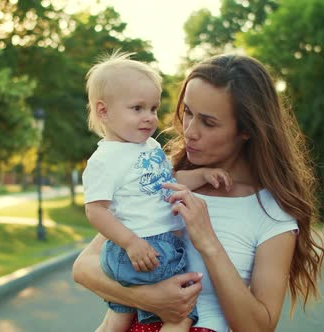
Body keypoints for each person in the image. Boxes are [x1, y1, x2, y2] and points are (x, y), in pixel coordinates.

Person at [73, 54, 324, 332]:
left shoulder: (272, 213)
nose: (190, 131)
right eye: (188, 112)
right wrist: (149, 299)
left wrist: (208, 242)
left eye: (208, 122)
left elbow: (258, 328)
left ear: (246, 130)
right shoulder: (159, 179)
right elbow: (84, 268)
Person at [83, 51, 233, 332]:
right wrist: (130, 243)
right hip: (145, 248)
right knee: (182, 312)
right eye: (137, 108)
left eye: (153, 109)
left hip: (150, 246)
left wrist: (202, 175)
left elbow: (168, 181)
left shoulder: (148, 147)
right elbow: (95, 210)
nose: (149, 118)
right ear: (103, 111)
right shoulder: (104, 159)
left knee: (120, 314)